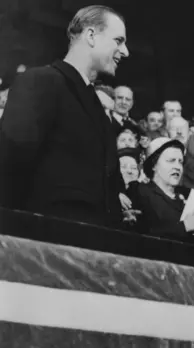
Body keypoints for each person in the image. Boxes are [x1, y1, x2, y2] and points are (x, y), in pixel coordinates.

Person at [0, 5, 129, 227]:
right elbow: (9, 167)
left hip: (96, 247)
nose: (125, 51)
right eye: (118, 40)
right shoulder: (40, 82)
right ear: (90, 35)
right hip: (45, 247)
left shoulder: (99, 109)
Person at [134, 137, 194, 244]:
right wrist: (185, 226)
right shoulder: (141, 192)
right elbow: (143, 236)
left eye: (180, 162)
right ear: (153, 165)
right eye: (171, 161)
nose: (177, 167)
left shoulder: (189, 195)